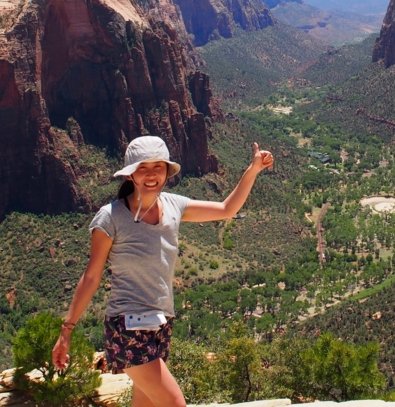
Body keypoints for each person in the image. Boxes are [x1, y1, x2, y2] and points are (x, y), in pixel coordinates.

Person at [51, 135, 274, 407]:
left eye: (158, 167)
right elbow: (91, 277)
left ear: (167, 171)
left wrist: (253, 170)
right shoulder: (110, 218)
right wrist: (67, 330)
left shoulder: (174, 206)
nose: (151, 175)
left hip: (161, 324)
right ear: (130, 175)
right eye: (142, 168)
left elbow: (227, 209)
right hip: (126, 329)